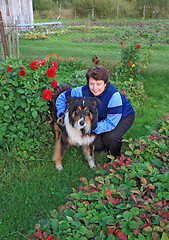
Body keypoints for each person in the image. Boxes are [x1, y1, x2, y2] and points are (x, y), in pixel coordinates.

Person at [55, 65, 135, 158]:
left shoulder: (114, 96)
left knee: (111, 137)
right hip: (102, 116)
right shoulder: (81, 91)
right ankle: (105, 143)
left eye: (98, 84)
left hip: (123, 116)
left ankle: (115, 159)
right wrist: (61, 114)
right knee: (97, 145)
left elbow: (110, 123)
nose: (95, 88)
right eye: (91, 83)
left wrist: (89, 127)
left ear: (105, 83)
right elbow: (61, 98)